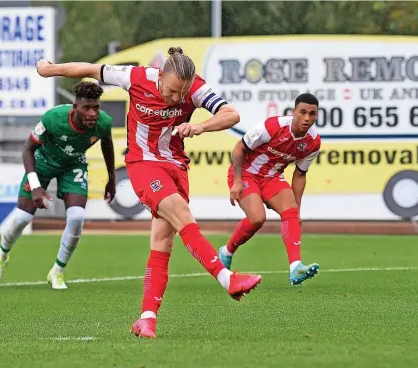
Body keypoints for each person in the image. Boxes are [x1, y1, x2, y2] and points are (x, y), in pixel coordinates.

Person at [35, 47, 263, 339]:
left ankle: (147, 320)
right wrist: (51, 69)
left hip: (177, 167)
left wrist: (201, 126)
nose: (175, 98)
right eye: (170, 91)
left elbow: (231, 114)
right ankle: (227, 278)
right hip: (144, 165)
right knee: (182, 214)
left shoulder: (194, 88)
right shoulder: (135, 77)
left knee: (162, 243)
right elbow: (90, 68)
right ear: (161, 76)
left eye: (181, 93)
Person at [0, 82, 116, 289]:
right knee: (22, 218)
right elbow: (27, 150)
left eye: (96, 107)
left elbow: (107, 144)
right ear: (74, 106)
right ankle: (1, 256)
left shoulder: (103, 123)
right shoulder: (53, 118)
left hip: (74, 164)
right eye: (87, 108)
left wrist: (111, 179)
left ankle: (57, 270)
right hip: (43, 162)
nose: (93, 113)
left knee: (77, 217)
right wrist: (35, 185)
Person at [218, 93, 321, 285]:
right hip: (246, 173)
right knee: (257, 218)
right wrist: (237, 181)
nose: (307, 118)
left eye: (312, 114)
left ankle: (295, 267)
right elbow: (239, 148)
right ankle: (227, 251)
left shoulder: (313, 142)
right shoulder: (272, 126)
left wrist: (297, 208)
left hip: (272, 177)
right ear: (294, 112)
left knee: (290, 211)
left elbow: (300, 174)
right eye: (303, 112)